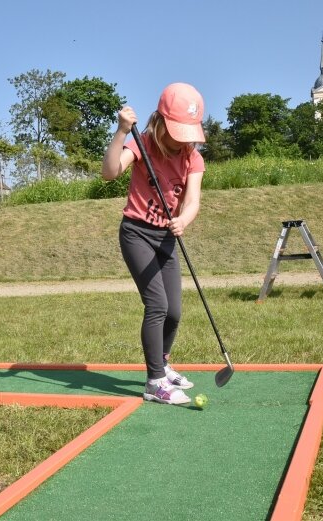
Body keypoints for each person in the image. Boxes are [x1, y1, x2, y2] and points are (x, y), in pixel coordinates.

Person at [102, 83, 207, 405]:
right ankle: (155, 381)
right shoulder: (142, 144)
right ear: (161, 123)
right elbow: (109, 172)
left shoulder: (193, 159)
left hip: (166, 236)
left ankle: (163, 361)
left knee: (174, 311)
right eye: (178, 132)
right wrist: (121, 131)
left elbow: (192, 201)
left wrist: (184, 220)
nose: (183, 140)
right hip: (136, 233)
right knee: (157, 305)